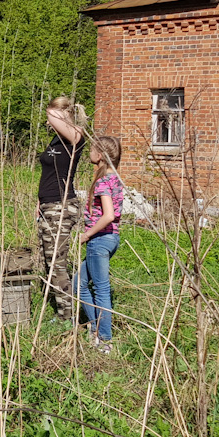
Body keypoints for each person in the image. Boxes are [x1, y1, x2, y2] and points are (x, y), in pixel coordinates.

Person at [37, 96, 87, 322]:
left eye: (52, 116)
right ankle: (62, 313)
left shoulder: (76, 137)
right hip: (48, 205)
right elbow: (49, 174)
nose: (49, 122)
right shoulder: (57, 140)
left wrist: (55, 115)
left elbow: (71, 131)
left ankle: (67, 318)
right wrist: (39, 203)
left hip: (62, 206)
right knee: (50, 264)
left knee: (57, 266)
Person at [77, 136, 124, 354]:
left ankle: (105, 339)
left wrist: (87, 234)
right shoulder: (115, 179)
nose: (89, 152)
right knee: (78, 285)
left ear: (101, 156)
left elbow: (109, 215)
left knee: (101, 290)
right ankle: (95, 327)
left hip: (100, 240)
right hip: (111, 238)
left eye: (92, 149)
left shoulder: (104, 181)